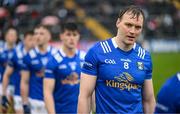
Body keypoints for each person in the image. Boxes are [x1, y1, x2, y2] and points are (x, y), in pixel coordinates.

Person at [78, 5, 155, 113]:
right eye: (128, 25)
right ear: (118, 22)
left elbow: (148, 100)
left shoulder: (144, 57)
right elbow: (85, 96)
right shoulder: (97, 52)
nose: (133, 31)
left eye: (138, 27)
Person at [43, 22, 85, 113]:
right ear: (61, 36)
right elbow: (47, 93)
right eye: (68, 34)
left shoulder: (85, 58)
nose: (71, 38)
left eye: (74, 35)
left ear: (79, 36)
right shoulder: (53, 61)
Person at [20, 25, 57, 114]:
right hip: (35, 102)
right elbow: (24, 82)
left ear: (49, 36)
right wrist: (25, 103)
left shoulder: (56, 55)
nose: (38, 36)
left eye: (41, 33)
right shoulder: (28, 57)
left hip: (54, 101)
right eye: (36, 33)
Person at [1, 31, 35, 114]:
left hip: (35, 95)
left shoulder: (40, 56)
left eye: (34, 39)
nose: (33, 42)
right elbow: (6, 75)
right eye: (30, 39)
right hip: (18, 92)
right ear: (24, 41)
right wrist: (4, 93)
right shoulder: (17, 55)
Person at [0, 26, 19, 113]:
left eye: (14, 35)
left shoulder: (20, 50)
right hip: (2, 84)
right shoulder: (0, 49)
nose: (12, 37)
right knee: (3, 109)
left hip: (16, 84)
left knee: (15, 110)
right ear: (6, 36)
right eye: (10, 34)